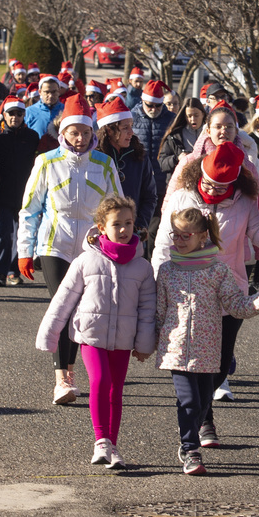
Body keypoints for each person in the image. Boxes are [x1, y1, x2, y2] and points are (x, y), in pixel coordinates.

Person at [152, 141, 259, 447]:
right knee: (193, 366)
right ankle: (203, 422)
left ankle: (202, 412)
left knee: (219, 365)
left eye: (221, 187)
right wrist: (157, 283)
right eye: (208, 184)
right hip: (186, 291)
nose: (213, 191)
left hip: (228, 290)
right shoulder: (181, 197)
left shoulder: (244, 202)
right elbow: (164, 244)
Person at [36, 195, 157, 470]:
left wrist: (144, 343)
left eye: (129, 223)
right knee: (100, 381)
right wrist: (50, 334)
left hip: (123, 340)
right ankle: (100, 440)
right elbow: (63, 300)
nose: (124, 229)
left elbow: (148, 309)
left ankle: (112, 446)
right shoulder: (85, 261)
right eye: (117, 224)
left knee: (116, 391)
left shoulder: (142, 267)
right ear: (102, 227)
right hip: (91, 336)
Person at [155, 207, 259, 475]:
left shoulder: (218, 271)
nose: (178, 240)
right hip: (176, 352)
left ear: (202, 237)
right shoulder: (166, 271)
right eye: (174, 234)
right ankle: (190, 449)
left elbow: (236, 305)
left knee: (201, 402)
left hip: (208, 351)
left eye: (185, 235)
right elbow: (159, 312)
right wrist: (146, 343)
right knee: (188, 401)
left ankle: (189, 436)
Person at [19, 95, 122, 404]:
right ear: (62, 132)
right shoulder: (46, 161)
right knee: (62, 305)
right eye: (74, 132)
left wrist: (118, 244)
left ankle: (71, 370)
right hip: (55, 243)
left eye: (86, 133)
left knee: (81, 309)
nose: (80, 139)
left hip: (90, 247)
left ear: (93, 134)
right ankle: (60, 378)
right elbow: (29, 209)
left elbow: (117, 208)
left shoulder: (104, 164)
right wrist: (25, 250)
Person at [0, 96, 40, 287]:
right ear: (4, 115)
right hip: (3, 192)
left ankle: (13, 271)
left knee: (22, 233)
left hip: (25, 194)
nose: (15, 117)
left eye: (19, 114)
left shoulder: (32, 137)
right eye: (11, 113)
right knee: (3, 232)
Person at [96, 98, 159, 236]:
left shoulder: (139, 156)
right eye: (125, 128)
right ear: (109, 130)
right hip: (101, 232)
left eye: (131, 126)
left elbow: (150, 196)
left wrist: (139, 225)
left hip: (132, 232)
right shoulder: (94, 158)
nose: (131, 132)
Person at [157, 98, 205, 180]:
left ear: (203, 114)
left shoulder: (210, 134)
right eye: (189, 116)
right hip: (181, 182)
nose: (193, 119)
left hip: (205, 183)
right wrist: (177, 158)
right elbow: (162, 163)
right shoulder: (175, 136)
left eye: (196, 115)